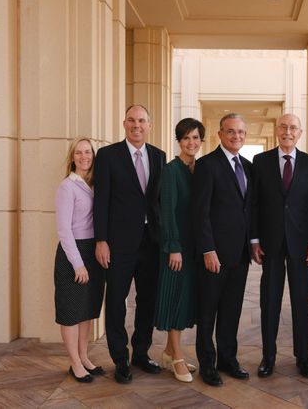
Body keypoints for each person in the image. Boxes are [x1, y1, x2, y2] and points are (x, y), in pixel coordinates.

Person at [93, 105, 166, 384]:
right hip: (118, 244)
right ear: (124, 123)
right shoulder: (108, 156)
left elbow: (160, 201)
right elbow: (101, 201)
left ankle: (141, 353)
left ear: (150, 125)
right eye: (132, 120)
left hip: (151, 243)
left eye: (142, 121)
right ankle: (120, 359)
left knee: (147, 301)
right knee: (115, 302)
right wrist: (101, 240)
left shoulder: (159, 156)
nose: (137, 125)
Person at [250, 113, 308, 378]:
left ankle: (303, 357)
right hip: (270, 244)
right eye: (283, 127)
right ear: (277, 130)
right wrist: (254, 239)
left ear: (300, 133)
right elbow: (254, 204)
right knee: (270, 302)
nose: (287, 131)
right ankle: (268, 357)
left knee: (301, 302)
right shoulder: (261, 161)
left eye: (293, 128)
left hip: (302, 246)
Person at [193, 113, 253, 387]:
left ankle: (228, 358)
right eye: (231, 132)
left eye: (240, 132)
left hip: (240, 254)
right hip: (214, 255)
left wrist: (253, 243)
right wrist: (208, 249)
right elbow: (200, 212)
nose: (236, 137)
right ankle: (208, 364)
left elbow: (249, 210)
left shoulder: (249, 167)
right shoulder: (207, 165)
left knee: (232, 310)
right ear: (220, 134)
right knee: (208, 311)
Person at [154, 118, 205, 383]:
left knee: (185, 301)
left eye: (196, 138)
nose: (191, 143)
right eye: (186, 138)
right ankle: (177, 358)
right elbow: (167, 211)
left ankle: (166, 351)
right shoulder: (172, 170)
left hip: (194, 249)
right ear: (179, 141)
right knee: (175, 301)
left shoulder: (200, 169)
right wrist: (173, 247)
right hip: (177, 248)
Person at [54, 137, 106, 383]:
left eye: (88, 152)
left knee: (86, 311)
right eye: (79, 153)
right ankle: (74, 362)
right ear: (72, 157)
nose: (84, 156)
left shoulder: (94, 184)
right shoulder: (68, 186)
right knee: (71, 311)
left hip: (92, 251)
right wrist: (78, 264)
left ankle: (84, 357)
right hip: (73, 254)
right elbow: (64, 230)